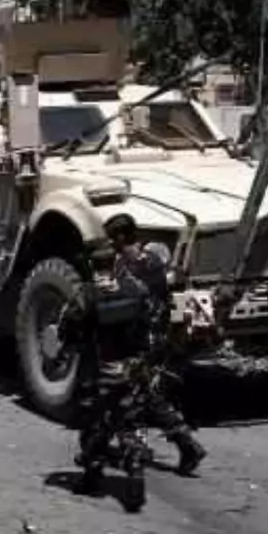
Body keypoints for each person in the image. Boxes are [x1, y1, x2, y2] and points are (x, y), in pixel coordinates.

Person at [73, 215, 207, 510]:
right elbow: (170, 297)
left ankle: (98, 465)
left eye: (112, 237)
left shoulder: (124, 271)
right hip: (149, 342)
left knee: (113, 410)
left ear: (121, 237)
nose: (111, 242)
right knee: (145, 398)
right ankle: (185, 443)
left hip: (118, 351)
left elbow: (89, 316)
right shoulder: (157, 261)